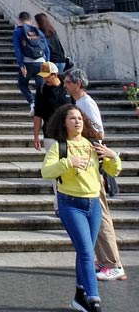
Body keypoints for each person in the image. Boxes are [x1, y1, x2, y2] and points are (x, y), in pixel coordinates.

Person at [42, 105, 121, 312]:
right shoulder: (59, 147)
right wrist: (68, 162)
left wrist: (113, 156)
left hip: (93, 203)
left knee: (84, 249)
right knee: (87, 251)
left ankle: (79, 294)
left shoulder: (93, 145)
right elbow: (46, 172)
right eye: (72, 118)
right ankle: (94, 300)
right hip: (70, 204)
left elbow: (112, 170)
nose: (77, 121)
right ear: (64, 122)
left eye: (80, 118)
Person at [64, 68, 127, 281]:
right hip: (86, 165)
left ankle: (114, 264)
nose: (65, 85)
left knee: (101, 217)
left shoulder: (86, 104)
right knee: (95, 218)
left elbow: (99, 133)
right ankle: (104, 260)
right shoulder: (79, 104)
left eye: (68, 82)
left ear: (77, 84)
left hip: (92, 167)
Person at [12, 11, 50, 112]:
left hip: (27, 62)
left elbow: (18, 49)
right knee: (40, 86)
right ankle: (41, 106)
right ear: (30, 20)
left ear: (19, 20)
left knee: (22, 84)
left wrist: (21, 64)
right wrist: (47, 63)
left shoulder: (18, 31)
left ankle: (32, 102)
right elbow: (47, 49)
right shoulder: (38, 31)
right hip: (42, 62)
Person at [33, 61, 72, 153]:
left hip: (68, 133)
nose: (45, 79)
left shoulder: (68, 86)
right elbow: (38, 114)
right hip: (50, 133)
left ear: (55, 74)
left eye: (47, 76)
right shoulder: (42, 90)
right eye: (43, 76)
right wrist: (36, 136)